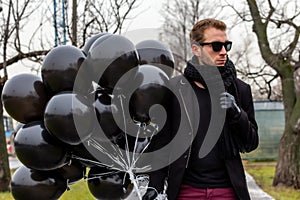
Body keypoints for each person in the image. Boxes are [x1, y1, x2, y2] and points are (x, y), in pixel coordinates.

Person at [142, 18, 259, 200]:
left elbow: (251, 143)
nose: (223, 52)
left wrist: (237, 114)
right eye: (215, 46)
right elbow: (162, 143)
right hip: (187, 190)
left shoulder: (240, 89)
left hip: (227, 190)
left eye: (226, 46)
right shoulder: (175, 90)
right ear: (196, 49)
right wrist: (154, 186)